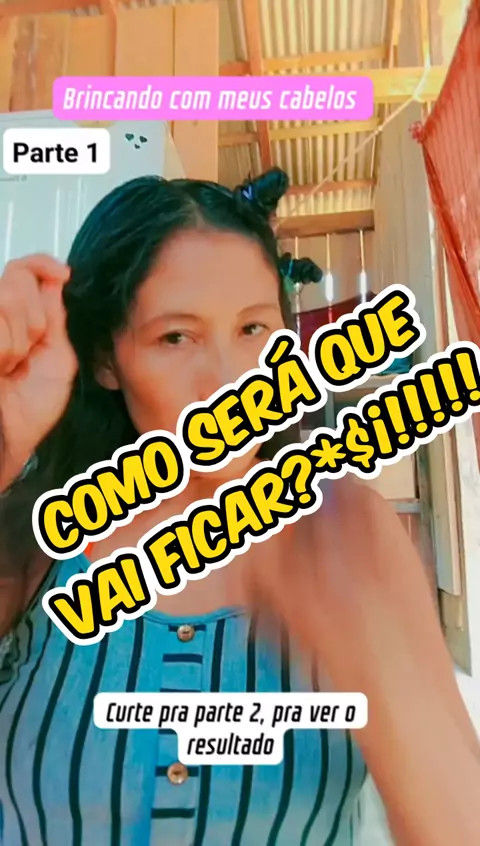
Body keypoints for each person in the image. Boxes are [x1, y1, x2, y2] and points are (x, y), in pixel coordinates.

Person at [0, 168, 479, 846]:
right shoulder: (36, 538)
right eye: (176, 337)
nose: (231, 381)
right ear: (107, 359)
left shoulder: (350, 533)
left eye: (254, 328)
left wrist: (377, 661)